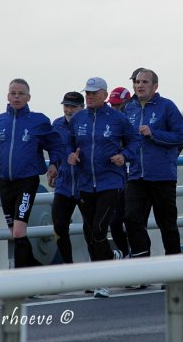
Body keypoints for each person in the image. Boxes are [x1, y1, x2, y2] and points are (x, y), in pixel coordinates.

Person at [0, 78, 62, 269]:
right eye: (13, 93)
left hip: (26, 182)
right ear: (7, 96)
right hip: (4, 183)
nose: (17, 97)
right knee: (15, 233)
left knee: (20, 232)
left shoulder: (39, 121)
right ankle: (35, 270)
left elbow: (55, 145)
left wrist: (54, 164)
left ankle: (22, 282)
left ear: (28, 97)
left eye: (21, 94)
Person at [67, 77, 138, 298]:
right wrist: (70, 155)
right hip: (86, 182)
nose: (89, 97)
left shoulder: (118, 119)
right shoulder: (78, 118)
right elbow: (68, 143)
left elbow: (135, 141)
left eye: (94, 93)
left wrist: (123, 155)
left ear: (104, 95)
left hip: (111, 181)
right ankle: (109, 262)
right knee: (90, 232)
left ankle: (103, 279)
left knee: (99, 228)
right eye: (87, 93)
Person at [123, 69, 183, 258]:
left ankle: (174, 269)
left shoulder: (166, 106)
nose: (139, 85)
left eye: (144, 82)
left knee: (167, 224)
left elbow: (180, 136)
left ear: (155, 86)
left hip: (162, 176)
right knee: (131, 219)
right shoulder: (129, 108)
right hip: (136, 175)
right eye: (136, 82)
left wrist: (154, 134)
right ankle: (142, 265)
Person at [50, 91, 94, 264]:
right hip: (64, 185)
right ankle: (69, 268)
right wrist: (53, 165)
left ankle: (96, 271)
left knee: (91, 230)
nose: (68, 110)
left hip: (86, 185)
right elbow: (54, 150)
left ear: (82, 107)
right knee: (59, 228)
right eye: (66, 106)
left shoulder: (91, 123)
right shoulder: (57, 125)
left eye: (73, 107)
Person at [106, 86, 133, 259]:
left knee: (133, 221)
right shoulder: (109, 120)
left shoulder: (132, 119)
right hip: (116, 178)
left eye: (117, 105)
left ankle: (135, 256)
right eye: (112, 105)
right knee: (115, 222)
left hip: (134, 179)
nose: (114, 108)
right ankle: (126, 253)